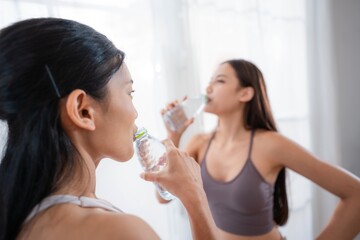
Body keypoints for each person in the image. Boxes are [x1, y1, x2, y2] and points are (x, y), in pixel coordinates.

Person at [0, 18, 219, 240]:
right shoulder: (118, 231)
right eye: (129, 93)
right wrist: (196, 199)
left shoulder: (29, 216)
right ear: (83, 110)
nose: (135, 113)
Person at [160, 59, 360, 240]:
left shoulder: (271, 144)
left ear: (245, 93)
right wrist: (173, 136)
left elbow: (356, 194)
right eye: (210, 81)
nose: (208, 87)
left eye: (219, 81)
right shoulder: (198, 143)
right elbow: (163, 197)